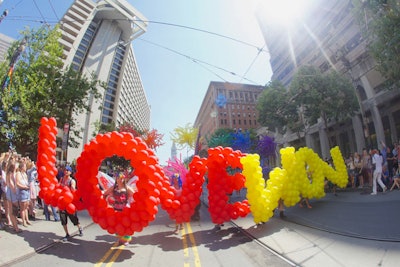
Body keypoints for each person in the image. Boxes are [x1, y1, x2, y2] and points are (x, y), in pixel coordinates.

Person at [103, 172, 135, 245]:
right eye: (118, 178)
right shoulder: (114, 188)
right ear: (116, 179)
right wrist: (107, 199)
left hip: (125, 209)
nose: (120, 180)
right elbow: (105, 193)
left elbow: (135, 194)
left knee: (125, 224)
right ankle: (121, 238)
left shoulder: (127, 187)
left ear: (124, 179)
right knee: (118, 224)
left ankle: (125, 239)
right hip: (116, 209)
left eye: (121, 178)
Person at [59, 165, 83, 241]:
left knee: (73, 219)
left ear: (70, 172)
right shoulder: (61, 179)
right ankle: (67, 234)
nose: (65, 171)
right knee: (63, 219)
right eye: (65, 170)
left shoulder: (72, 181)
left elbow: (73, 189)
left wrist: (71, 188)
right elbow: (58, 188)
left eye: (67, 170)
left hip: (70, 203)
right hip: (62, 202)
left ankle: (79, 227)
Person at [15, 159, 31, 227]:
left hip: (27, 190)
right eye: (24, 167)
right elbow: (18, 183)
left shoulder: (25, 173)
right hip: (22, 191)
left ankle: (27, 220)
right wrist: (24, 187)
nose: (25, 168)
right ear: (21, 167)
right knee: (22, 207)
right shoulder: (18, 173)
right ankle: (23, 221)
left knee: (26, 206)